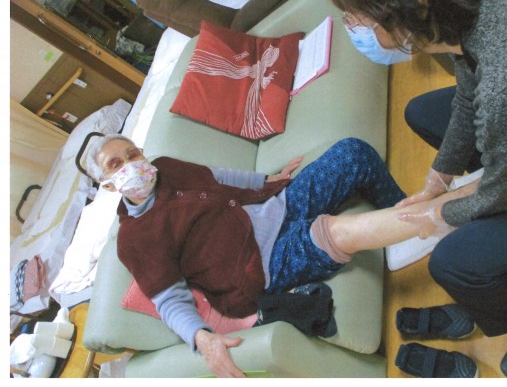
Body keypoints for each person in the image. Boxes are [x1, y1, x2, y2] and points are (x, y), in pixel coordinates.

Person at [324, 0, 507, 378]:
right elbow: (470, 84)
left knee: (453, 262)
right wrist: (439, 177)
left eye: (358, 17)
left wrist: (441, 214)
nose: (353, 28)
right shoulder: (468, 4)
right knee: (422, 113)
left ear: (414, 4)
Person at [87, 134, 479, 377]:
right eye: (116, 164)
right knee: (334, 232)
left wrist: (267, 181)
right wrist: (202, 340)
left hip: (274, 206)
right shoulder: (134, 239)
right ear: (108, 185)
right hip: (262, 263)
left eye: (133, 154)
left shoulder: (165, 167)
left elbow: (217, 176)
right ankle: (448, 214)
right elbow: (169, 299)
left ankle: (408, 225)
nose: (132, 165)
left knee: (353, 152)